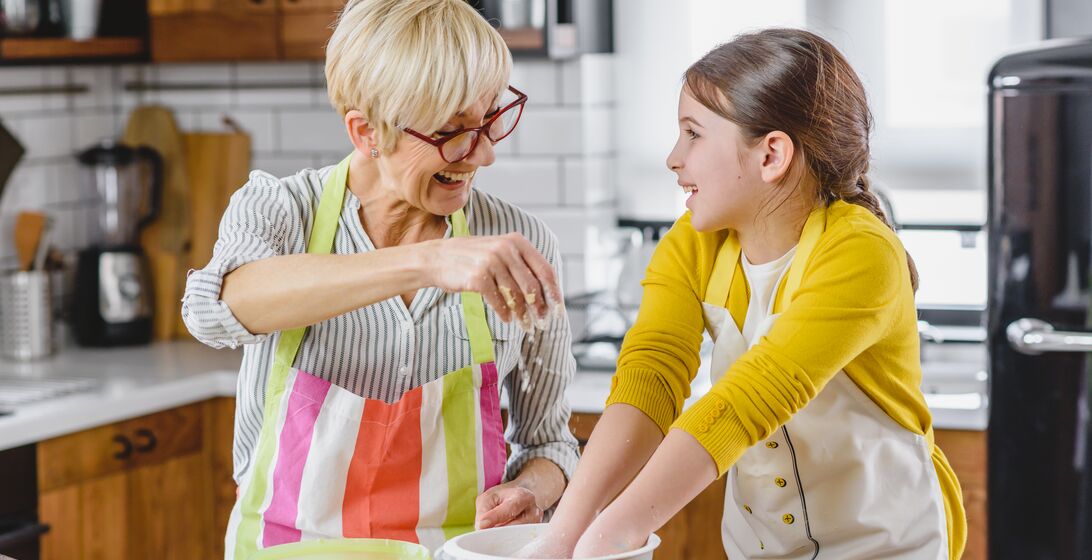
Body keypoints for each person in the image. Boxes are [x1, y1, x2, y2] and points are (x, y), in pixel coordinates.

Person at [525, 28, 967, 559]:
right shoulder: (692, 244)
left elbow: (750, 400)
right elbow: (652, 376)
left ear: (771, 155)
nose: (673, 157)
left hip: (885, 547)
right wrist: (563, 535)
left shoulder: (860, 254)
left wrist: (613, 536)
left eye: (693, 133)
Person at [180, 1, 579, 557]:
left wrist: (528, 491)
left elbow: (550, 442)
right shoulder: (279, 209)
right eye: (452, 130)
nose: (482, 153)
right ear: (366, 131)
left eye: (489, 120)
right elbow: (216, 310)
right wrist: (422, 263)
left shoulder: (518, 242)